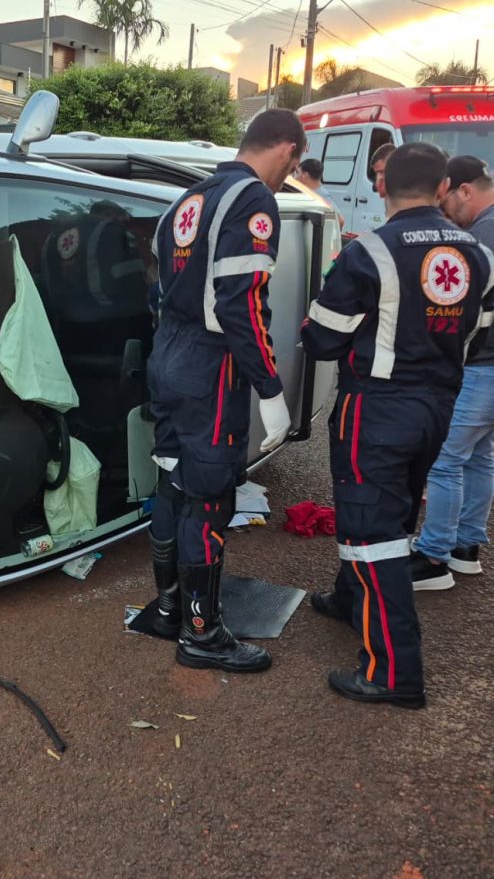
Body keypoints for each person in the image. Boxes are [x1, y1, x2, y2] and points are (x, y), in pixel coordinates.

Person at [302, 143, 494, 709]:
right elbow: (479, 330)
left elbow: (322, 338)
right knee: (394, 509)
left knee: (372, 530)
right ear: (442, 189)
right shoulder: (475, 253)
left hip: (379, 406)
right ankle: (348, 598)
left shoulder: (371, 252)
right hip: (439, 403)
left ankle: (393, 672)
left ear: (382, 188)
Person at [147, 108, 304, 674]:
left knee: (173, 482)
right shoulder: (252, 199)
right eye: (294, 163)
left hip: (168, 353)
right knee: (210, 498)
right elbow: (243, 302)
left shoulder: (183, 201)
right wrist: (269, 386)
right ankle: (202, 633)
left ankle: (169, 608)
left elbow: (159, 290)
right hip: (212, 368)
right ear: (287, 149)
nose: (290, 173)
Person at [411, 156, 494, 589]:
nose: (448, 215)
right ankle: (465, 547)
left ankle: (433, 557)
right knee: (480, 457)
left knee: (445, 462)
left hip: (482, 366)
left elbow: (469, 308)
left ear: (465, 189)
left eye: (450, 203)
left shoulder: (482, 236)